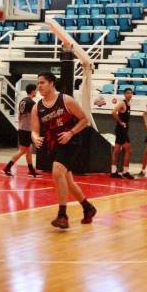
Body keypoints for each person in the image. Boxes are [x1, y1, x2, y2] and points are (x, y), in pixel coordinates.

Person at [31, 71, 97, 229]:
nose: (39, 86)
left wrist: (71, 133)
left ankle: (62, 215)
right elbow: (34, 130)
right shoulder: (37, 107)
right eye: (38, 83)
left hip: (71, 142)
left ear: (51, 83)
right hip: (54, 145)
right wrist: (35, 137)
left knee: (57, 172)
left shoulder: (65, 100)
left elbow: (84, 120)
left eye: (42, 82)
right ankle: (88, 207)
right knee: (68, 181)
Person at [3, 84, 39, 177]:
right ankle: (7, 167)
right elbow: (35, 116)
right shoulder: (31, 103)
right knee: (23, 150)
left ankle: (31, 170)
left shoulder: (23, 101)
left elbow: (20, 114)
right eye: (35, 90)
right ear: (32, 91)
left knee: (29, 149)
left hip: (23, 128)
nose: (36, 92)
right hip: (26, 129)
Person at [110, 87, 135, 179]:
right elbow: (113, 112)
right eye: (127, 93)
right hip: (121, 130)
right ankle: (125, 171)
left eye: (131, 93)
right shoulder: (122, 103)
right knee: (128, 150)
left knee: (116, 150)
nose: (129, 94)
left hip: (123, 130)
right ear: (124, 94)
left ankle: (113, 172)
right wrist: (120, 122)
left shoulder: (128, 104)